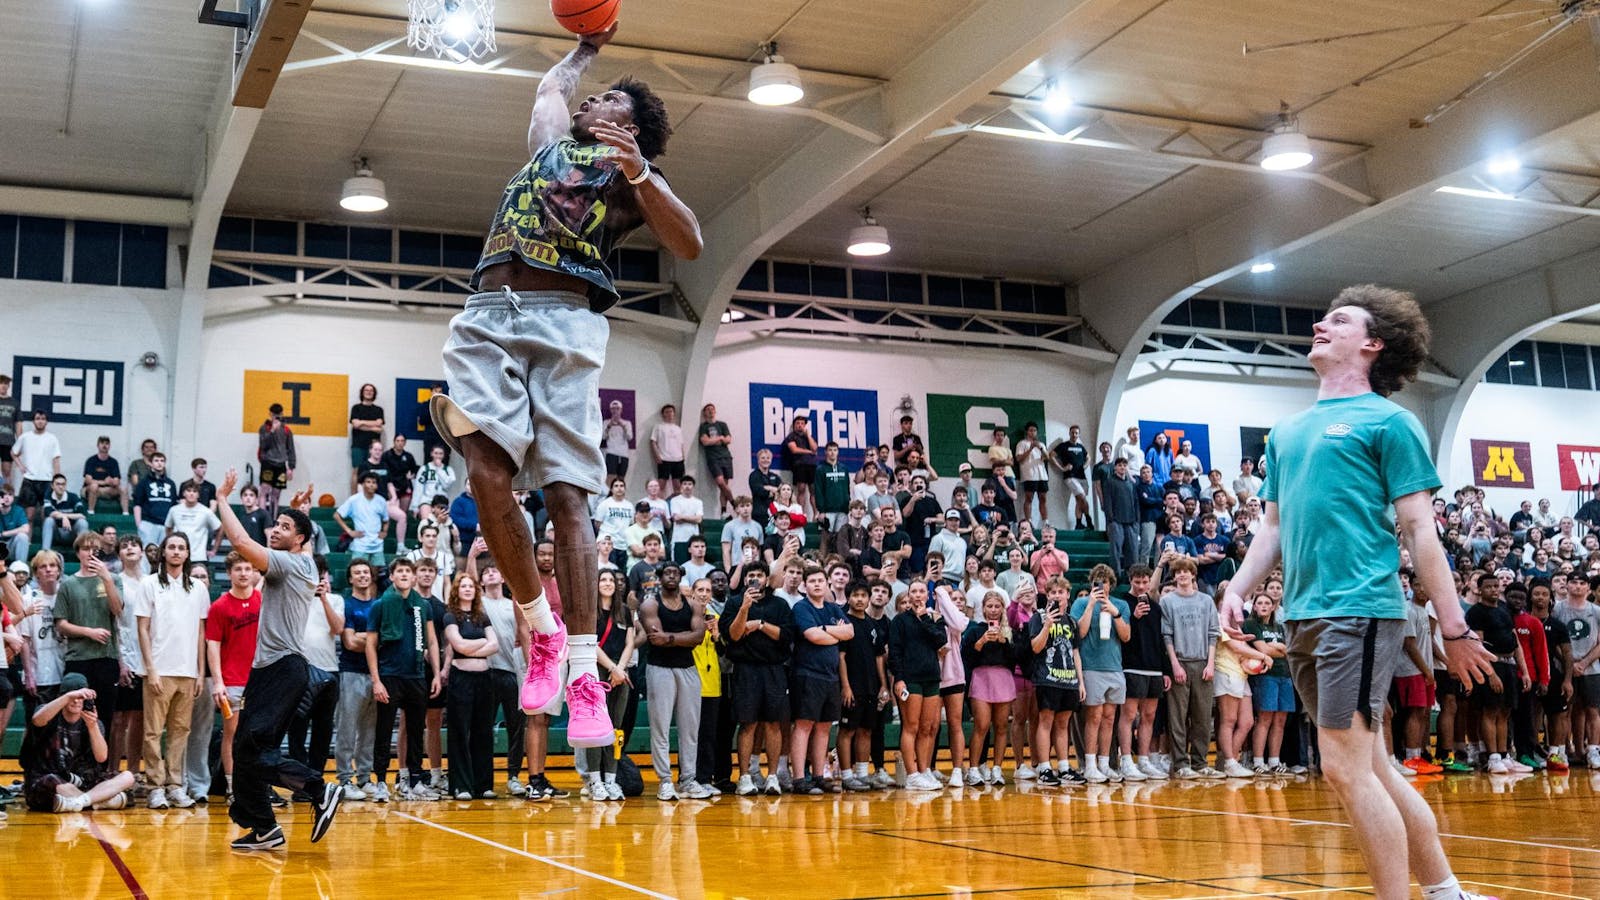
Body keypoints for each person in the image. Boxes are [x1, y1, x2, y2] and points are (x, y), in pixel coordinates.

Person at [1221, 286, 1499, 900]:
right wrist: (1238, 588)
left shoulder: (1390, 422)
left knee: (1343, 769)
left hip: (1359, 610)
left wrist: (1453, 628)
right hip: (1302, 615)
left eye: (1339, 320)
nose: (1321, 324)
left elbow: (1421, 528)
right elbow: (1273, 527)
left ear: (1373, 345)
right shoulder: (1287, 432)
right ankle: (1447, 892)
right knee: (1372, 767)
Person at [213, 467, 341, 850]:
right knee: (243, 751)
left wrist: (222, 497)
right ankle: (265, 828)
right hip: (270, 670)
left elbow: (238, 539)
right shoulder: (303, 560)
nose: (275, 529)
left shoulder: (289, 564)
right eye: (277, 524)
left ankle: (319, 790)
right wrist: (299, 509)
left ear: (299, 539)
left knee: (254, 750)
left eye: (284, 527)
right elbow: (300, 536)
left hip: (283, 668)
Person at [365, 558, 442, 802]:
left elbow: (431, 641)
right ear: (392, 575)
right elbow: (370, 644)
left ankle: (415, 781)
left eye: (409, 571)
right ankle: (380, 781)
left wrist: (437, 674)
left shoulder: (423, 607)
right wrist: (376, 680)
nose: (405, 575)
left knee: (416, 731)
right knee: (384, 730)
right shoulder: (380, 605)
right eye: (400, 571)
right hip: (389, 676)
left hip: (416, 675)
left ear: (414, 576)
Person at [21, 673, 137, 813]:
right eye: (72, 697)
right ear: (63, 697)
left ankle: (81, 802)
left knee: (127, 777)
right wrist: (68, 697)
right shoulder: (49, 712)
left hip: (83, 781)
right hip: (51, 779)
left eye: (80, 698)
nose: (76, 701)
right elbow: (37, 720)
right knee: (55, 783)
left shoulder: (93, 722)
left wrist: (92, 726)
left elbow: (101, 757)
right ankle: (101, 801)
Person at [53, 533, 125, 735]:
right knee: (75, 714)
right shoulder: (68, 584)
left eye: (95, 549)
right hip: (78, 658)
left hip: (107, 657)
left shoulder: (114, 579)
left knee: (105, 715)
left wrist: (107, 579)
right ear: (78, 553)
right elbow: (61, 624)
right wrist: (88, 632)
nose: (90, 553)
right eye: (85, 548)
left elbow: (118, 610)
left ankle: (100, 766)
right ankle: (74, 762)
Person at [788, 565, 850, 794]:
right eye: (812, 581)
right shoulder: (801, 607)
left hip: (830, 676)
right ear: (805, 585)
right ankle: (798, 779)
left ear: (827, 584)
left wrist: (824, 630)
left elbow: (850, 632)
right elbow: (812, 636)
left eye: (820, 581)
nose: (816, 584)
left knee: (824, 727)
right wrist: (834, 632)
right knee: (804, 725)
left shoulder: (833, 608)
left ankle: (818, 775)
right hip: (807, 674)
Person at [207, 551, 260, 803]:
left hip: (260, 681)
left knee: (257, 736)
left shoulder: (263, 601)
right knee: (232, 735)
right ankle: (232, 787)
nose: (243, 573)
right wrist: (218, 681)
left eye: (247, 569)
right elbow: (213, 645)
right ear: (229, 573)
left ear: (254, 572)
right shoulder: (219, 606)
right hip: (232, 682)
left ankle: (255, 786)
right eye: (238, 569)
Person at [1071, 565, 1131, 783]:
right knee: (1094, 717)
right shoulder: (1080, 603)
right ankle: (1089, 764)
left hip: (1114, 667)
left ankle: (1105, 764)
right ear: (1091, 583)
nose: (1101, 585)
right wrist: (1091, 605)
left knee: (1109, 718)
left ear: (1111, 584)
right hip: (1091, 666)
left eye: (1105, 581)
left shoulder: (1121, 605)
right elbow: (1080, 632)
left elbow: (1125, 636)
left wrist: (1114, 613)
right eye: (1097, 581)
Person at [442, 572, 498, 800]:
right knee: (460, 732)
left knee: (483, 732)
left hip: (484, 679)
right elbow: (458, 645)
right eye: (463, 586)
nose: (467, 589)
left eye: (471, 586)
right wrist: (481, 642)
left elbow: (495, 645)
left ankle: (483, 785)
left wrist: (474, 646)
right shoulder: (450, 616)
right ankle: (461, 786)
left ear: (476, 591)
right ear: (457, 590)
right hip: (460, 679)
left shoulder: (481, 617)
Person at [889, 580, 947, 790]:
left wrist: (924, 617)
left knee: (928, 727)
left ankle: (924, 771)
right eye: (913, 591)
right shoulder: (899, 621)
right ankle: (911, 774)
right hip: (909, 679)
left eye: (922, 591)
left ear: (928, 595)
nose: (917, 594)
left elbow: (940, 640)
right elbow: (894, 652)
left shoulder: (934, 619)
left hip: (931, 677)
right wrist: (899, 678)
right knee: (911, 726)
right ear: (909, 595)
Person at [336, 473, 390, 569]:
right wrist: (349, 532)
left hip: (377, 545)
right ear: (362, 484)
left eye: (374, 482)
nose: (371, 485)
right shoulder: (354, 500)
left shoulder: (381, 501)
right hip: (360, 544)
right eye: (368, 482)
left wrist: (384, 531)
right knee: (357, 571)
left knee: (376, 576)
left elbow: (386, 520)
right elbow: (337, 515)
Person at [257, 404, 297, 517]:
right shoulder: (264, 428)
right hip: (268, 462)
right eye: (274, 415)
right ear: (270, 414)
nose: (276, 417)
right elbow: (263, 445)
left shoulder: (286, 430)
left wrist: (291, 467)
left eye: (278, 415)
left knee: (276, 494)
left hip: (280, 464)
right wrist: (272, 431)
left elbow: (291, 449)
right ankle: (262, 518)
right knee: (264, 491)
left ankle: (273, 519)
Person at [697, 403, 735, 514]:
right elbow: (705, 442)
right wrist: (720, 438)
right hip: (713, 458)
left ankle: (723, 510)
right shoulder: (704, 427)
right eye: (708, 409)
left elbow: (728, 439)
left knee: (724, 486)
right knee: (720, 482)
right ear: (704, 413)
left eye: (712, 409)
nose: (710, 411)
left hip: (725, 457)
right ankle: (734, 502)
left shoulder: (722, 425)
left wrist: (715, 440)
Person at [348, 383, 386, 491]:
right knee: (357, 470)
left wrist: (361, 424)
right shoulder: (356, 408)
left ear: (374, 393)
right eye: (366, 390)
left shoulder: (379, 410)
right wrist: (373, 425)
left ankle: (371, 496)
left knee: (373, 471)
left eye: (371, 390)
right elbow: (355, 424)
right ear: (362, 393)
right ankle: (354, 498)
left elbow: (379, 427)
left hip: (374, 446)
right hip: (358, 445)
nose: (369, 392)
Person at [40, 474, 89, 550]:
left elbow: (83, 515)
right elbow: (49, 513)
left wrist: (65, 517)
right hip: (56, 533)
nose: (61, 487)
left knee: (82, 522)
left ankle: (84, 553)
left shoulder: (73, 497)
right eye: (58, 484)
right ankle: (45, 553)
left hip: (72, 532)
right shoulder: (48, 496)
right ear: (52, 486)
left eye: (63, 484)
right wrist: (64, 517)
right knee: (48, 520)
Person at [82, 436, 126, 514]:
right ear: (98, 445)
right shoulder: (91, 460)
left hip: (108, 490)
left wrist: (112, 482)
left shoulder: (113, 462)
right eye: (102, 443)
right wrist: (105, 482)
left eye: (107, 443)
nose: (104, 446)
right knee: (94, 486)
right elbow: (88, 480)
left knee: (123, 488)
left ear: (109, 446)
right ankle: (90, 512)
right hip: (91, 490)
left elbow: (116, 481)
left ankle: (126, 513)